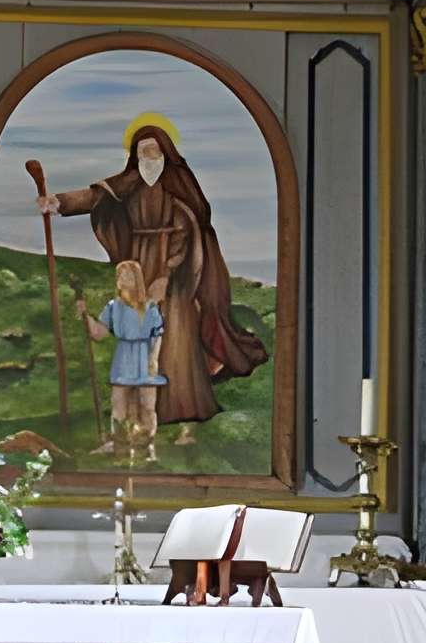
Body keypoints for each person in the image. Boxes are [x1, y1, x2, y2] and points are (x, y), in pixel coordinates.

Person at [39, 119, 268, 444]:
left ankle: (184, 407)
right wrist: (58, 203)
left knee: (176, 332)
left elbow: (189, 233)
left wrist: (166, 275)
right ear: (135, 156)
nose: (148, 157)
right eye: (142, 152)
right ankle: (135, 413)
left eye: (154, 151)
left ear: (165, 154)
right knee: (136, 329)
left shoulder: (179, 190)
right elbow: (95, 196)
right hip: (138, 266)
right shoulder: (130, 183)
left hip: (179, 272)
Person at [78, 260, 166, 464]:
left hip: (144, 356)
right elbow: (99, 333)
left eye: (126, 275)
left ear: (136, 279)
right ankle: (120, 446)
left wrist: (153, 359)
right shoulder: (113, 307)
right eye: (119, 276)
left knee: (147, 405)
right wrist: (86, 315)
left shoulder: (149, 307)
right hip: (123, 357)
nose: (122, 280)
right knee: (118, 404)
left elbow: (158, 335)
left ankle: (147, 446)